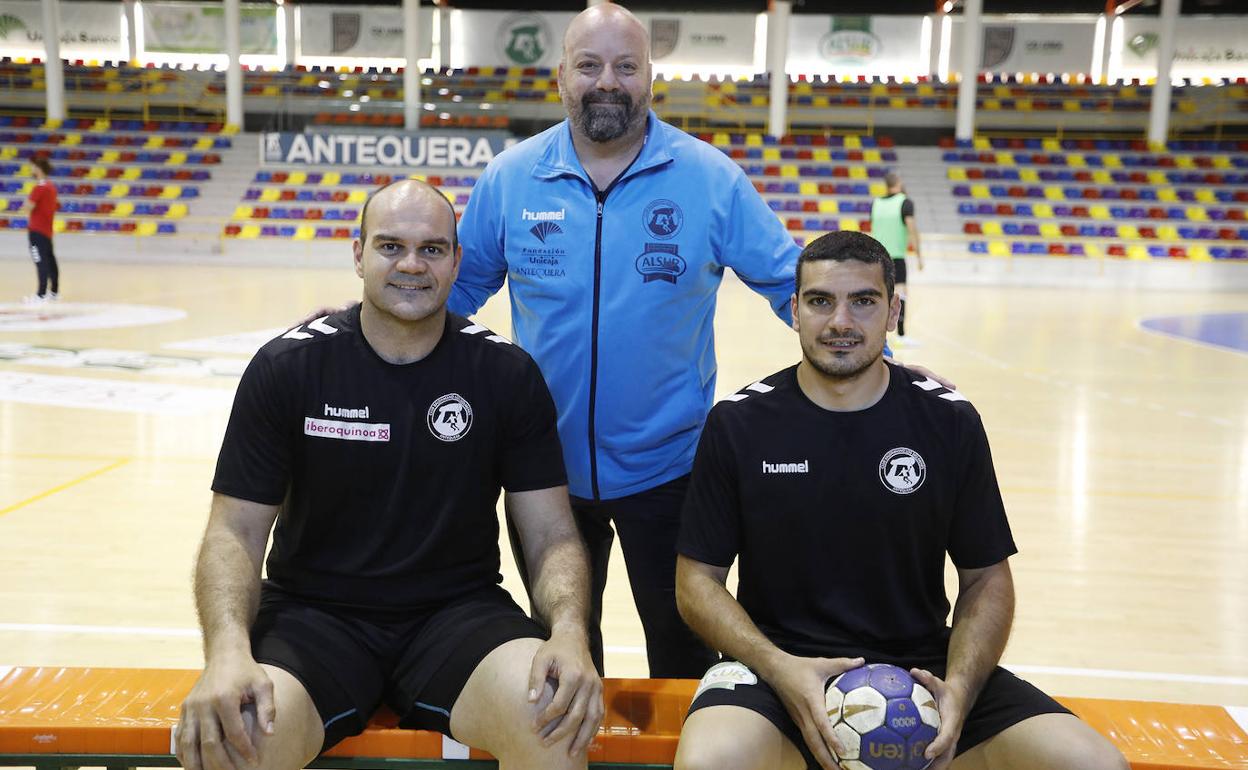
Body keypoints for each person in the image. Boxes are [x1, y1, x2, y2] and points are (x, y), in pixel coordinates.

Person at [175, 180, 602, 770]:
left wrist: (569, 633)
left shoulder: (505, 374)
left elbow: (552, 534)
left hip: (457, 617)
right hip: (311, 617)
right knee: (235, 735)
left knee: (553, 720)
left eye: (431, 249)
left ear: (456, 262)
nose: (411, 264)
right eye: (390, 246)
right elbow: (235, 532)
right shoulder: (288, 367)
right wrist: (226, 651)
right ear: (358, 255)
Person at [672, 231, 1127, 770]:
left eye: (863, 301)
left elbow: (986, 578)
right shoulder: (740, 423)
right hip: (775, 668)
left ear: (893, 311)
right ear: (795, 310)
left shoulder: (948, 421)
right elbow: (696, 582)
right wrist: (776, 666)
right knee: (710, 761)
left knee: (1090, 763)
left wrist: (958, 686)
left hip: (922, 667)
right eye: (821, 301)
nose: (841, 322)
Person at [450, 2, 801, 679]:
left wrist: (885, 366)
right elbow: (454, 295)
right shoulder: (512, 179)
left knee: (685, 657)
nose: (606, 81)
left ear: (649, 78)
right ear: (561, 77)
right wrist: (360, 334)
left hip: (672, 472)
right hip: (541, 477)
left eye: (625, 66)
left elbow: (794, 287)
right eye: (589, 65)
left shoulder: (709, 178)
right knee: (567, 653)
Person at [869, 171, 921, 336]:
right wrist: (919, 255)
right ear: (898, 182)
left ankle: (874, 333)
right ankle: (901, 334)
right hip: (896, 256)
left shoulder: (875, 203)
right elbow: (912, 229)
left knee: (877, 294)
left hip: (877, 256)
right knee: (901, 292)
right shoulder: (905, 202)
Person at [19, 155, 59, 303]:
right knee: (50, 260)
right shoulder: (51, 187)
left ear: (39, 169)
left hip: (37, 231)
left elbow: (27, 207)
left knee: (40, 261)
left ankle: (41, 294)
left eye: (33, 166)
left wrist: (25, 206)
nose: (32, 169)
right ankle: (54, 292)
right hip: (47, 231)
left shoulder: (39, 188)